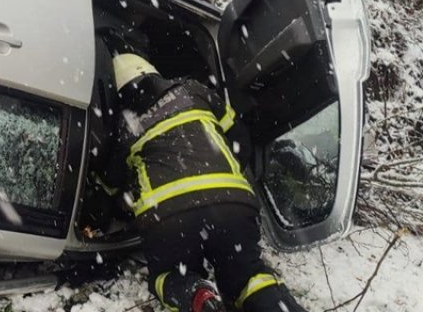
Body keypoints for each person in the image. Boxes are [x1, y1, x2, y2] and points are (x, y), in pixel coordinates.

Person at [97, 32, 308, 312]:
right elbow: (239, 139)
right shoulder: (192, 90)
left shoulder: (125, 129)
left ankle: (198, 297)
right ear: (151, 72)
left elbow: (110, 188)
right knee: (249, 277)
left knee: (168, 277)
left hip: (169, 216)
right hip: (232, 205)